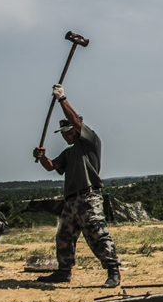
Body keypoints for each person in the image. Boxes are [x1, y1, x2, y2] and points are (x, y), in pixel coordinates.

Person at [31, 84, 122, 289]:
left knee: (98, 233)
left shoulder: (90, 141)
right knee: (64, 236)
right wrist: (42, 156)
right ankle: (63, 272)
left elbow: (75, 121)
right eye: (63, 133)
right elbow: (51, 167)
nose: (66, 136)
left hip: (88, 197)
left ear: (77, 129)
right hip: (71, 200)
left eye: (69, 131)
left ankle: (113, 271)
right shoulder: (69, 152)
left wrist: (62, 99)